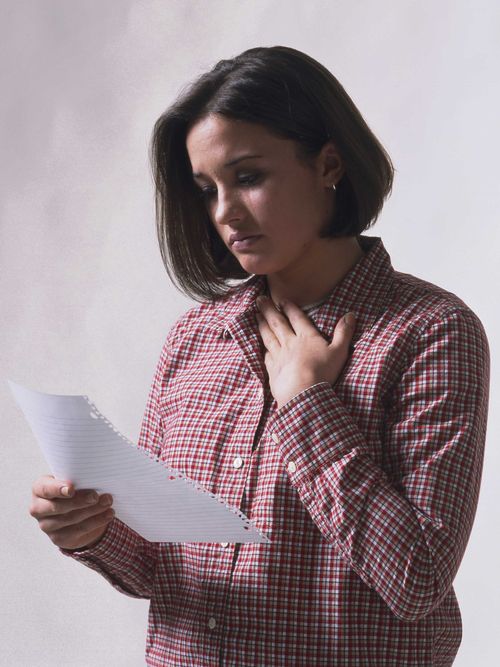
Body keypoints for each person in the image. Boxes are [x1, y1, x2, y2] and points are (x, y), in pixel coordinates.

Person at [29, 46, 490, 666]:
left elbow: (417, 581)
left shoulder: (431, 332)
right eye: (206, 189)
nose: (224, 213)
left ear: (328, 164)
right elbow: (161, 569)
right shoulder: (194, 339)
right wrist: (96, 533)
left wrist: (307, 404)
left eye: (248, 177)